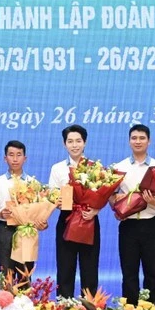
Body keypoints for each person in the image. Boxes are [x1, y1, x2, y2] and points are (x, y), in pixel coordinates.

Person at [112, 124, 155, 305]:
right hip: (128, 225)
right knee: (129, 273)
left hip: (151, 224)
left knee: (152, 273)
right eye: (134, 138)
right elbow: (111, 195)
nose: (138, 141)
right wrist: (118, 206)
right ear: (129, 141)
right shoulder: (119, 167)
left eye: (142, 138)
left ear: (149, 141)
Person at [48, 125, 100, 298]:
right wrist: (58, 202)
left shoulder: (95, 167)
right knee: (65, 267)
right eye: (70, 141)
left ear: (85, 143)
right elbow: (52, 195)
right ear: (64, 144)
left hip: (89, 218)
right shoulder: (57, 168)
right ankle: (64, 309)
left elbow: (102, 195)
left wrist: (96, 210)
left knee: (90, 267)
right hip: (66, 219)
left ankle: (90, 308)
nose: (74, 145)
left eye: (78, 141)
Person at [0, 140, 43, 278]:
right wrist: (0, 213)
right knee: (6, 272)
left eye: (19, 155)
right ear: (5, 158)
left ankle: (25, 299)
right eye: (11, 155)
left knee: (25, 274)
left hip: (26, 231)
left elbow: (38, 210)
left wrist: (42, 222)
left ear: (25, 158)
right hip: (5, 230)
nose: (15, 159)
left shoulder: (33, 183)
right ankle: (6, 299)